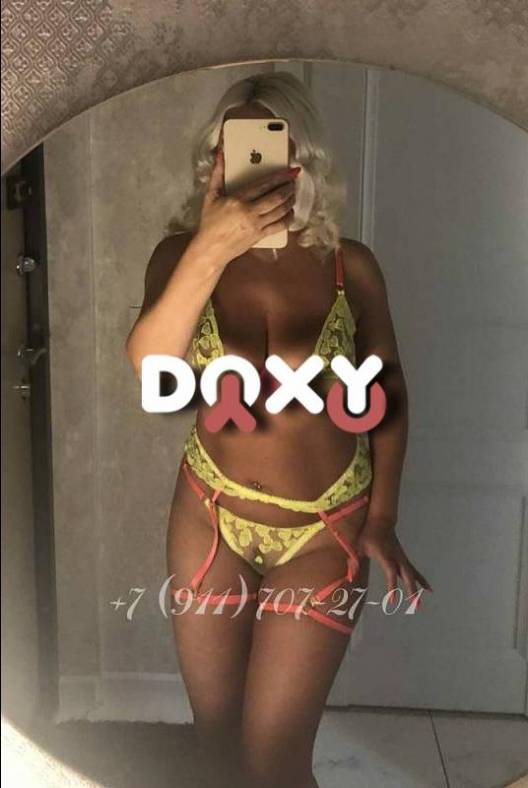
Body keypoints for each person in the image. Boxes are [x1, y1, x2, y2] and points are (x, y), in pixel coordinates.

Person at [126, 71, 432, 788]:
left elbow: (388, 395)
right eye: (233, 145)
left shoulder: (350, 267)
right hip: (209, 515)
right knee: (216, 747)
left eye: (272, 143)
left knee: (276, 762)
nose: (251, 162)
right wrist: (212, 245)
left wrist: (383, 518)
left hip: (324, 534)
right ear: (215, 159)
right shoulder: (179, 259)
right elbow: (151, 368)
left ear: (304, 159)